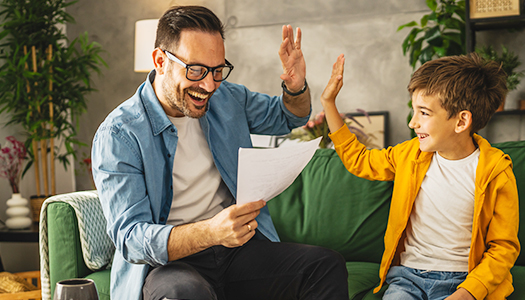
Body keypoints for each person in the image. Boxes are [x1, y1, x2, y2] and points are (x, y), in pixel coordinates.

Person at [92, 6, 348, 300]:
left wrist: (295, 87)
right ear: (160, 61)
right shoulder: (119, 135)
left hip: (236, 253)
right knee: (183, 292)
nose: (209, 85)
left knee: (325, 266)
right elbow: (130, 240)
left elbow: (289, 117)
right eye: (196, 70)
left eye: (217, 70)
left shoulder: (227, 98)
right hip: (171, 264)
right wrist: (211, 232)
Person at [320, 53, 520, 300]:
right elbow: (359, 160)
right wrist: (328, 102)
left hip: (464, 281)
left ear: (461, 121)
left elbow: (503, 247)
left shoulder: (496, 171)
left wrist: (469, 292)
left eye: (424, 113)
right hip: (407, 279)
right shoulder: (409, 155)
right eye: (414, 111)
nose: (413, 122)